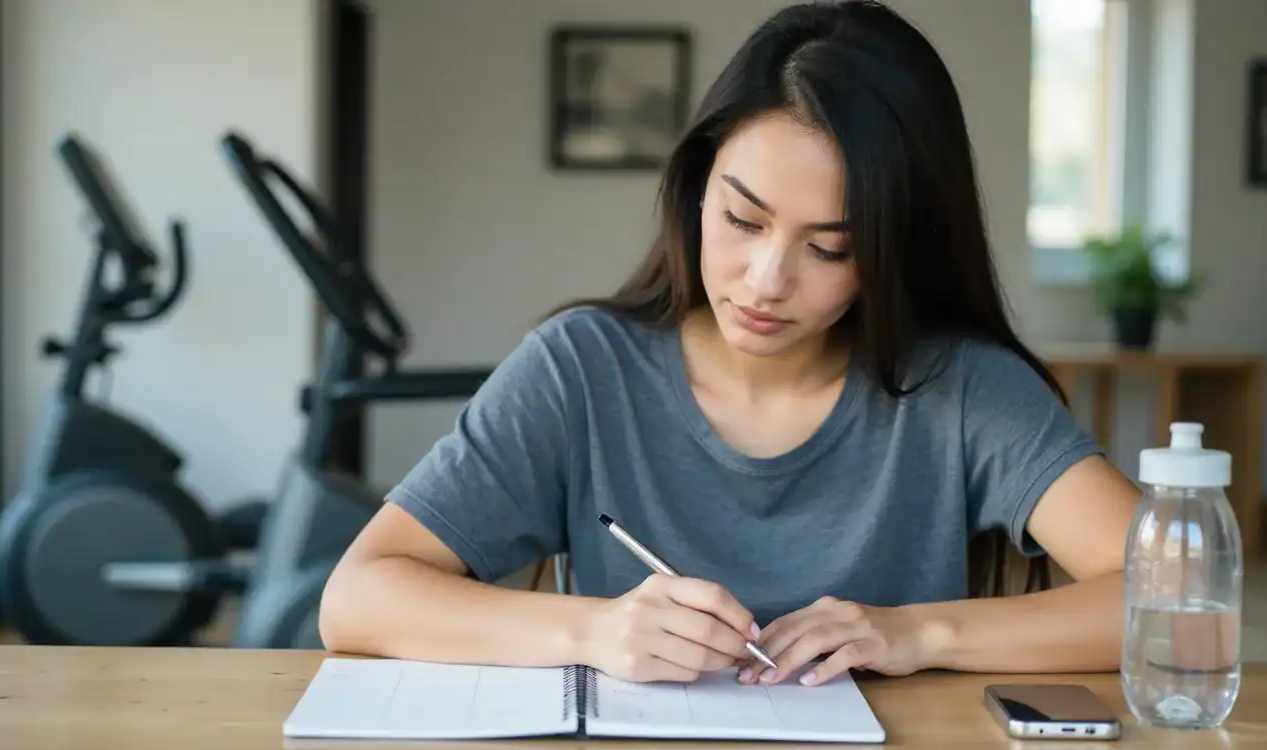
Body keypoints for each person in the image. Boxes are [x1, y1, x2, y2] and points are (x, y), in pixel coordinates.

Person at [318, 0, 1139, 688]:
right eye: (742, 220)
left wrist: (918, 635)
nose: (766, 279)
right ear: (695, 188)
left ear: (898, 250)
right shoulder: (581, 370)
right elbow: (357, 598)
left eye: (831, 248)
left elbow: (1177, 601)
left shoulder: (961, 389)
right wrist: (592, 633)